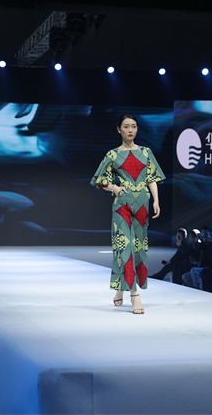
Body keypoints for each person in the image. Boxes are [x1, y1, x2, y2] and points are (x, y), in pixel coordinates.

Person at [90, 114, 165, 314]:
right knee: (126, 247)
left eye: (134, 126)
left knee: (138, 248)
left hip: (143, 204)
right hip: (122, 204)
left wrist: (156, 200)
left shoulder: (146, 152)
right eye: (126, 126)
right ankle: (134, 295)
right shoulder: (113, 154)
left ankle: (121, 289)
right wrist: (114, 188)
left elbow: (152, 178)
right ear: (119, 129)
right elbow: (99, 180)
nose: (130, 130)